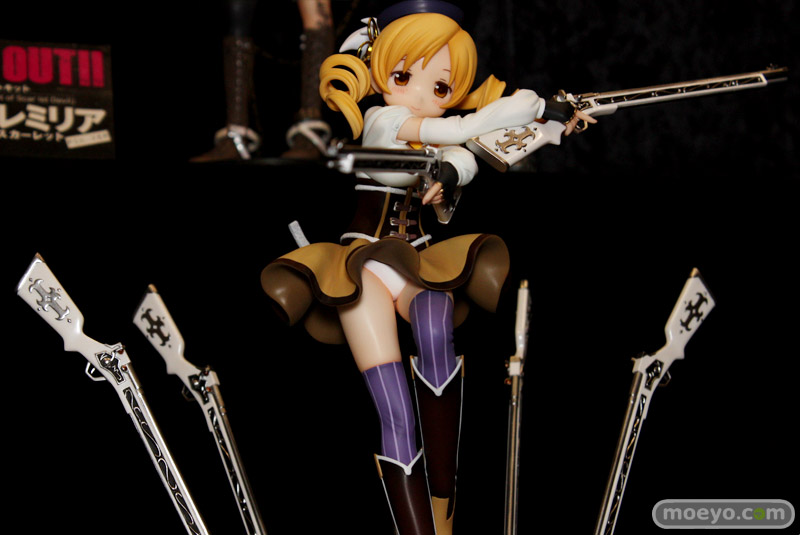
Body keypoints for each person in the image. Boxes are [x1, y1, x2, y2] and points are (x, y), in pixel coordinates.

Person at [261, 2, 593, 533]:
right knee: (396, 413)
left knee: (437, 320)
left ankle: (443, 506)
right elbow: (452, 134)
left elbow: (466, 157)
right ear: (380, 74)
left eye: (440, 87)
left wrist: (549, 123)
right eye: (403, 77)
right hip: (363, 266)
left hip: (416, 258)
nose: (420, 94)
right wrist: (521, 107)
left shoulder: (445, 138)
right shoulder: (382, 120)